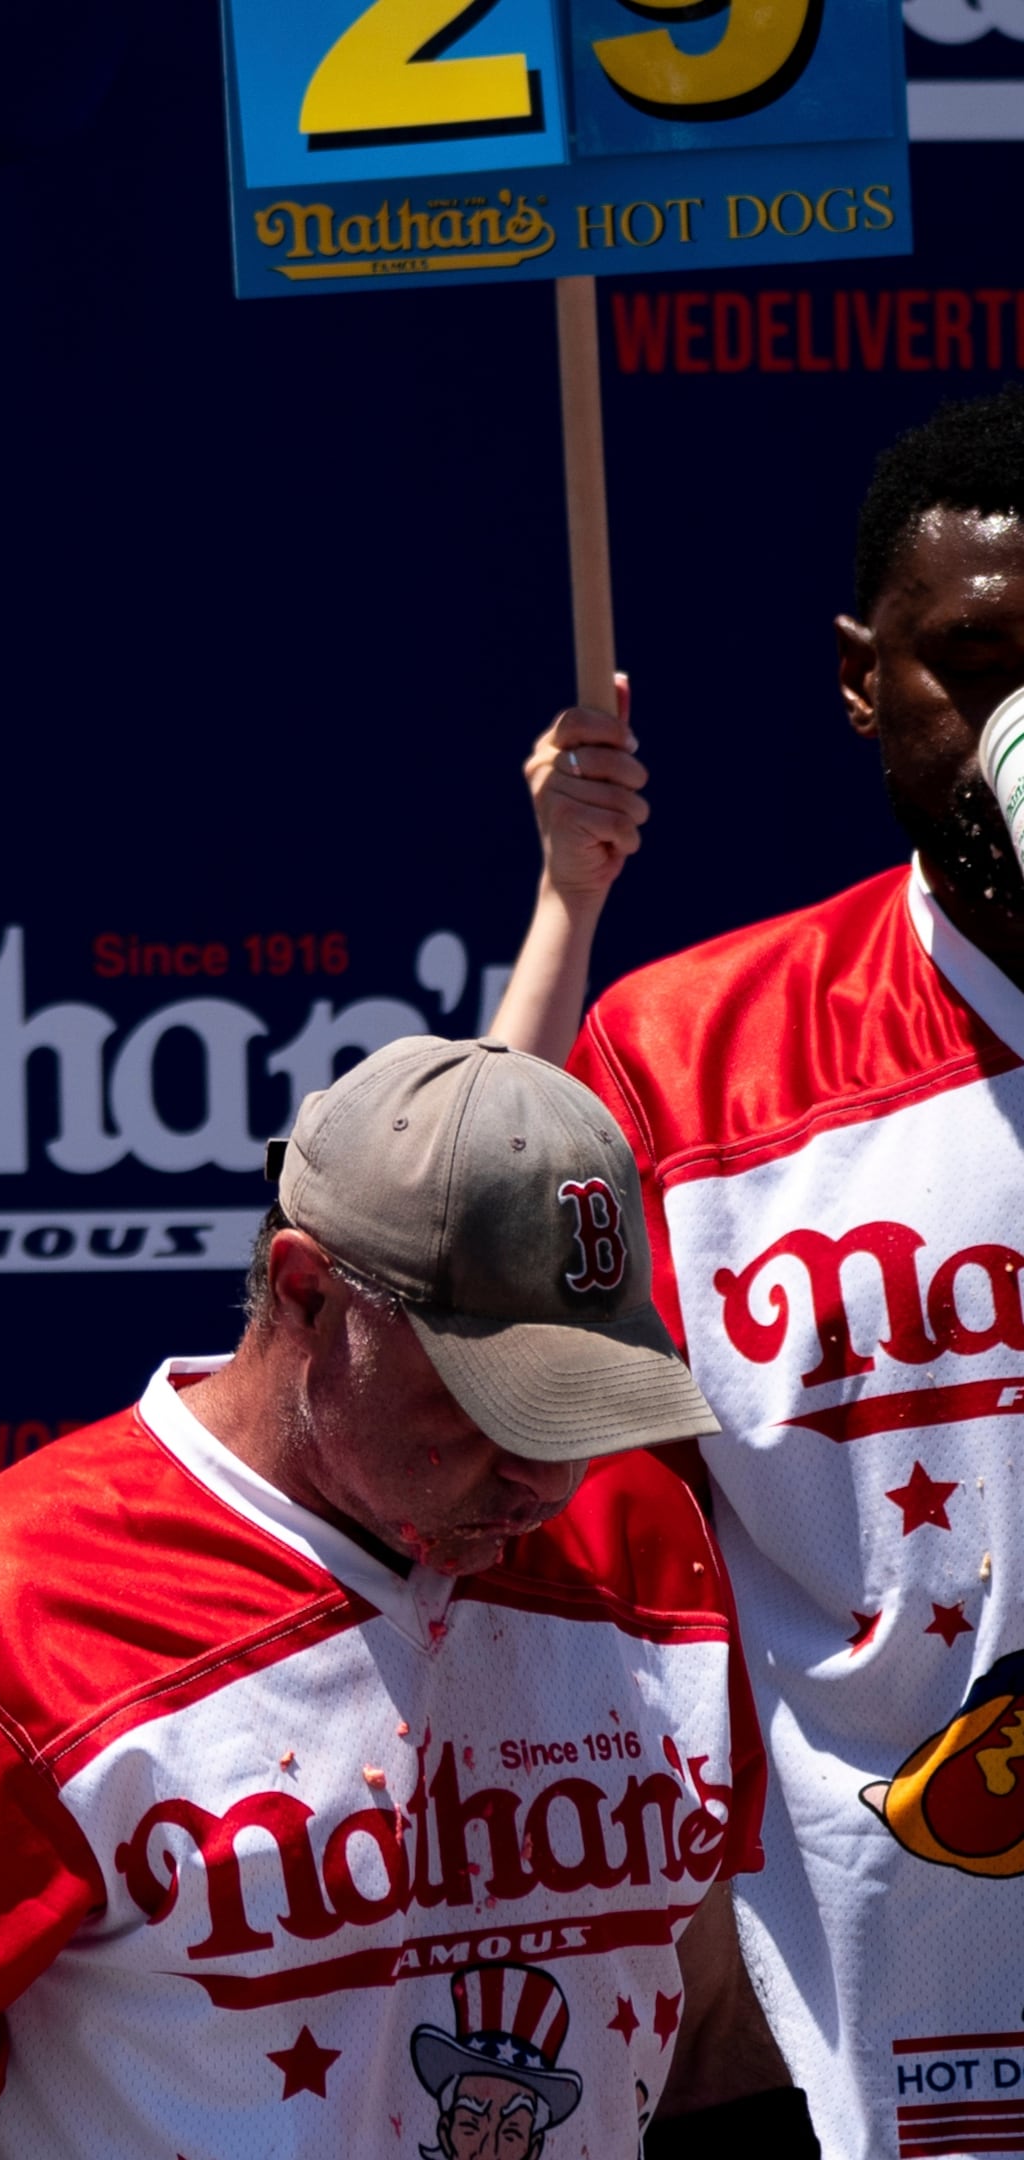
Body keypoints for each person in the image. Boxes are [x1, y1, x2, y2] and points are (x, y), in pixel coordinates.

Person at [0, 1037, 772, 2159]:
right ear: (307, 1292)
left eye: (588, 1404)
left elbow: (705, 2018)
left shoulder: (648, 1540)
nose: (544, 1476)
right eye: (495, 1402)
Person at [542, 387, 1024, 2160]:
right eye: (974, 662)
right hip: (851, 2015)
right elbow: (572, 1538)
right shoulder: (689, 1062)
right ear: (859, 678)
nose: (1021, 728)